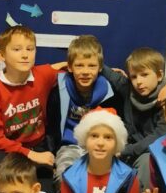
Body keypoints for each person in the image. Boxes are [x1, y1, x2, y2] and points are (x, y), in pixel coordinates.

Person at [0, 26, 65, 193]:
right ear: (2, 55)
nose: (25, 55)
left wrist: (108, 72)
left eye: (30, 49)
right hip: (8, 150)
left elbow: (75, 68)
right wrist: (30, 155)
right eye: (17, 49)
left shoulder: (42, 75)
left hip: (38, 146)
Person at [47, 35, 121, 179]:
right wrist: (52, 153)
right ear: (70, 67)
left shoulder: (110, 93)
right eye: (79, 65)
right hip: (68, 147)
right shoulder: (59, 90)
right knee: (65, 178)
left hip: (99, 147)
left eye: (92, 66)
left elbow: (115, 127)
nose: (85, 71)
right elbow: (51, 126)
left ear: (100, 67)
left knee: (105, 181)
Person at [102, 47, 166, 190]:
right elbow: (103, 68)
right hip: (129, 151)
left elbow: (158, 138)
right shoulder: (128, 89)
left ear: (159, 75)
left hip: (151, 154)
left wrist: (126, 151)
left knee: (146, 161)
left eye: (144, 75)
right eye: (134, 76)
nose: (138, 81)